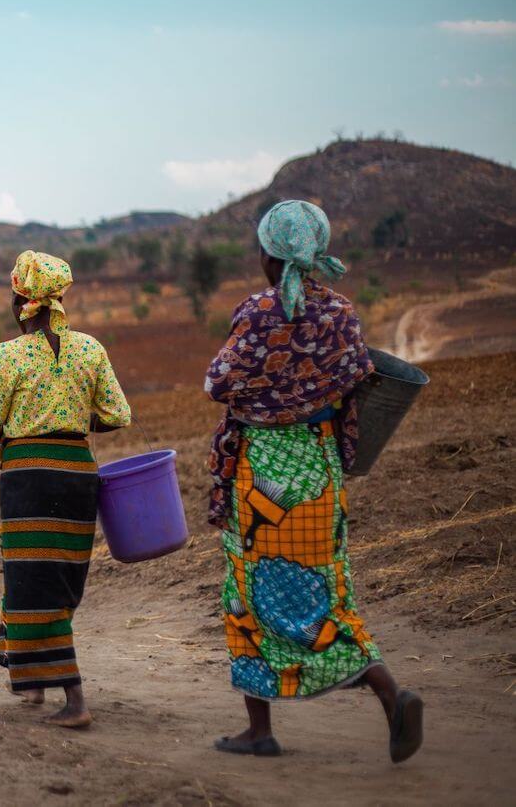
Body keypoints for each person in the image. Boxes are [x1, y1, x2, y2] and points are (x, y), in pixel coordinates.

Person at [204, 200, 423, 762]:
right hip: (319, 471)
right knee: (329, 590)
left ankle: (260, 731)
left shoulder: (255, 313)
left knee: (248, 591)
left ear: (269, 256)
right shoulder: (342, 312)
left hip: (265, 475)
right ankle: (390, 693)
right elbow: (358, 377)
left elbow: (219, 382)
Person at [0, 250, 131, 727]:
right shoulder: (90, 348)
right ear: (59, 296)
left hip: (29, 477)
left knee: (31, 579)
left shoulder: (5, 355)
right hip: (79, 472)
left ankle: (75, 700)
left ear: (21, 296)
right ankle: (31, 680)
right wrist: (73, 422)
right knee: (54, 578)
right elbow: (118, 414)